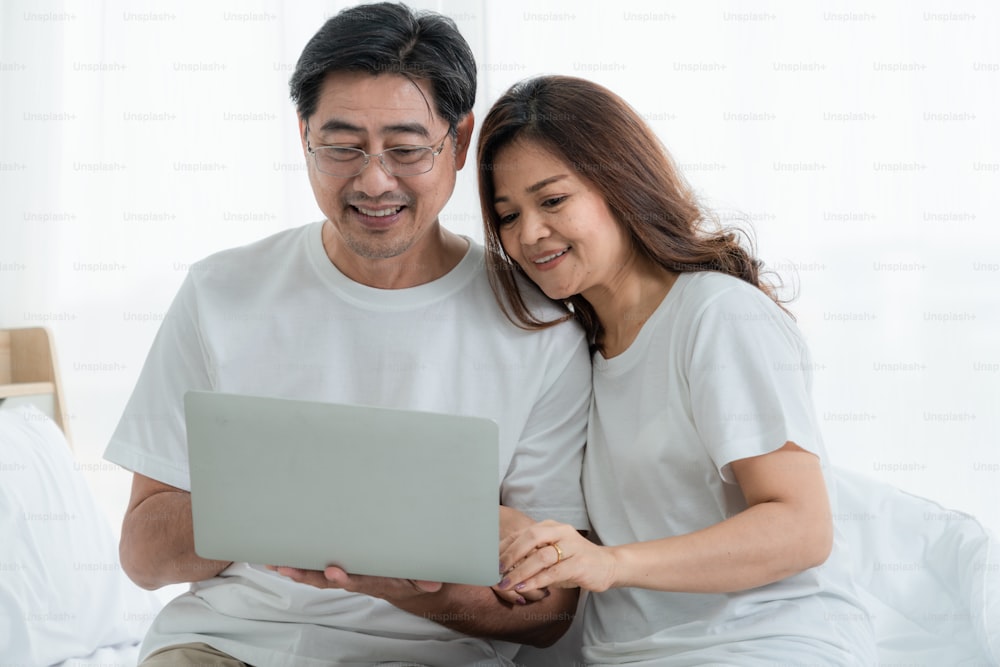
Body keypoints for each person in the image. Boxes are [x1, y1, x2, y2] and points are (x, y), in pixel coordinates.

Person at [104, 6, 591, 666]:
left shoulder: (538, 326)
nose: (373, 179)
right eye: (341, 146)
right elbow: (143, 554)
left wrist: (404, 587)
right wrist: (284, 501)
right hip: (229, 645)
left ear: (459, 139)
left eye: (406, 147)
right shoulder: (221, 292)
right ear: (302, 133)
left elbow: (553, 609)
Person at [478, 75, 878, 665]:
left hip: (762, 641)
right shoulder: (571, 351)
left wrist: (611, 565)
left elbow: (801, 527)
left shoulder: (718, 316)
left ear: (619, 183)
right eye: (508, 216)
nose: (529, 234)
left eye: (553, 200)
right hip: (626, 653)